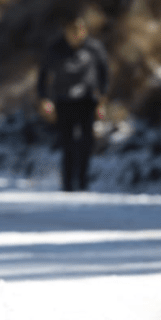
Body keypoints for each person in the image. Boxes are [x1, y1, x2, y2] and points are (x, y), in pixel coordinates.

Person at [37, 14, 109, 192]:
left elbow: (104, 74)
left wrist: (102, 101)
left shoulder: (94, 48)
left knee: (86, 142)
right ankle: (67, 183)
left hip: (87, 101)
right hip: (64, 101)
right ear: (65, 31)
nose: (76, 34)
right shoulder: (56, 48)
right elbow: (43, 75)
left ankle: (83, 181)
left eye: (80, 30)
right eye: (72, 30)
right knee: (67, 142)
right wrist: (45, 99)